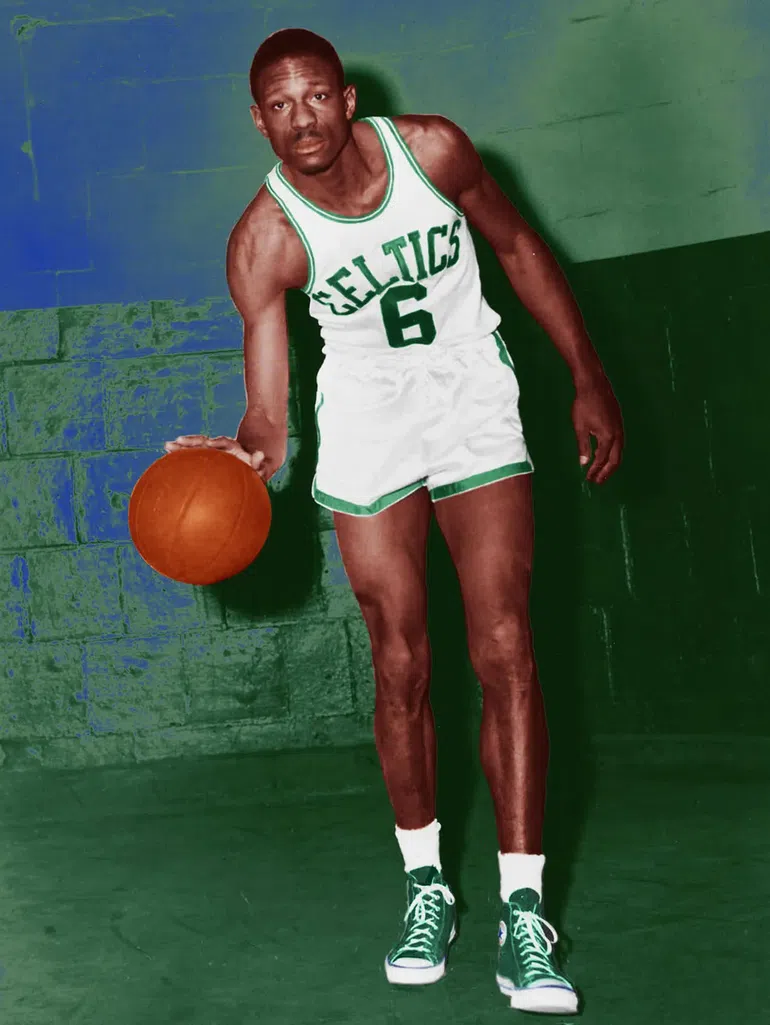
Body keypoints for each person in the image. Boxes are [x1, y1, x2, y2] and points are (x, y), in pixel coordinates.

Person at [165, 27, 623, 1015]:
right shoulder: (265, 239)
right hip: (367, 418)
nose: (301, 119)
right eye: (279, 106)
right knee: (402, 660)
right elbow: (269, 414)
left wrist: (586, 373)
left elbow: (517, 247)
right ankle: (426, 888)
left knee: (504, 646)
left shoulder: (434, 151)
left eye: (315, 97)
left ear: (346, 98)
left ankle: (524, 911)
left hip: (469, 394)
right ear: (259, 121)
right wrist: (239, 456)